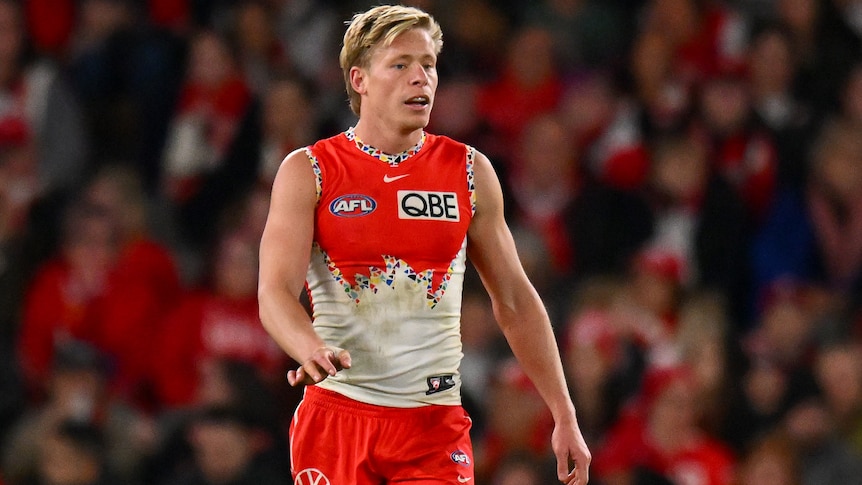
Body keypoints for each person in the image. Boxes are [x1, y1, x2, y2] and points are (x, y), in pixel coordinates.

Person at [257, 5, 591, 484]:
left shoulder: (469, 172)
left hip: (432, 427)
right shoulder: (309, 171)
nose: (421, 78)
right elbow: (274, 293)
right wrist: (307, 345)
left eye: (429, 65)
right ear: (360, 79)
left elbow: (515, 299)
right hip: (338, 416)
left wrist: (564, 412)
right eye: (401, 65)